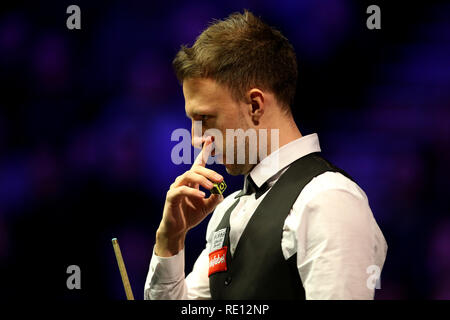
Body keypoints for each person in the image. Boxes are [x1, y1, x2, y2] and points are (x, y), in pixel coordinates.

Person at [144, 10, 387, 300]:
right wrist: (170, 240)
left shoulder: (329, 201)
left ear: (255, 105)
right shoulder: (228, 209)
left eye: (206, 118)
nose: (196, 139)